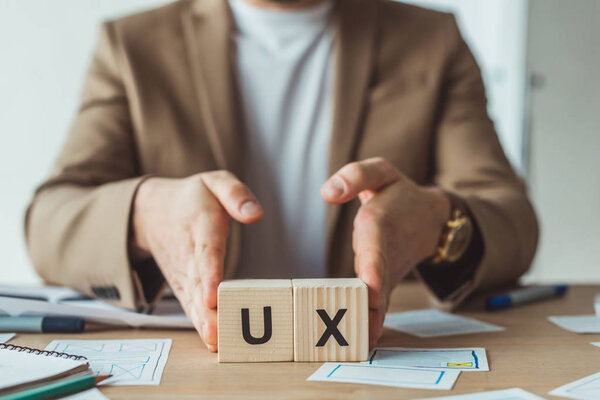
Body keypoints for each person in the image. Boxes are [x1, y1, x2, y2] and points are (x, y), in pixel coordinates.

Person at [25, 0, 538, 352]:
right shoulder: (132, 45)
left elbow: (512, 218)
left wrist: (439, 220)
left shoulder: (432, 39)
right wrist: (142, 214)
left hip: (367, 361)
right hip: (205, 370)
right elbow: (49, 219)